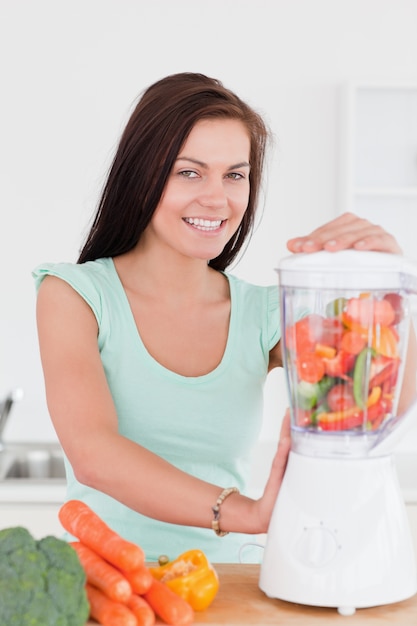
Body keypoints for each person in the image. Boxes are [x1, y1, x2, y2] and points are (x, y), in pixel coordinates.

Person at [33, 72, 417, 563]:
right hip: (111, 586)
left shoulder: (269, 314)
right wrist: (243, 514)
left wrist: (394, 288)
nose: (217, 198)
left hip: (229, 582)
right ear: (141, 174)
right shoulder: (74, 294)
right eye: (189, 172)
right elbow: (93, 454)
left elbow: (377, 404)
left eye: (235, 174)